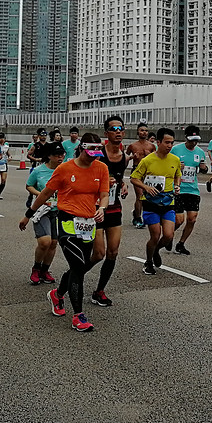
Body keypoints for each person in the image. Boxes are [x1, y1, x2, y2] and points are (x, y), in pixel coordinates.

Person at [28, 133, 110, 332]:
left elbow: (104, 194)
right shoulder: (65, 168)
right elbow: (47, 193)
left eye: (97, 153)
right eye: (90, 153)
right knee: (78, 266)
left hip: (88, 223)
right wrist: (28, 213)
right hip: (67, 221)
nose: (94, 157)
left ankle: (57, 294)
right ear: (81, 148)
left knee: (79, 267)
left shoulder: (102, 167)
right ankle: (78, 316)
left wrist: (102, 208)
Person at [130, 128, 182, 275]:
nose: (169, 145)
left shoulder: (175, 160)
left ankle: (156, 251)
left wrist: (177, 186)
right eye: (166, 142)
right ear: (158, 142)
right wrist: (146, 187)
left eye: (172, 143)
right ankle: (148, 261)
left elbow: (178, 175)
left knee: (168, 235)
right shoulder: (147, 160)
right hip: (151, 202)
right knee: (155, 234)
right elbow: (134, 178)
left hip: (168, 202)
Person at [91, 116, 129, 306]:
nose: (118, 132)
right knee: (98, 254)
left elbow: (120, 178)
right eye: (113, 129)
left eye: (121, 129)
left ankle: (99, 291)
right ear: (106, 133)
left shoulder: (123, 157)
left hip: (114, 209)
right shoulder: (98, 154)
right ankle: (71, 278)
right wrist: (103, 183)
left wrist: (123, 185)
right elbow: (87, 176)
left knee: (112, 252)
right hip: (96, 209)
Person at [19, 142, 64, 286]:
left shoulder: (65, 170)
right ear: (49, 156)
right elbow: (29, 186)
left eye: (62, 154)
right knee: (45, 242)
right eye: (57, 155)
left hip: (59, 211)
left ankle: (45, 270)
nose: (60, 157)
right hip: (42, 210)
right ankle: (36, 268)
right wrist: (41, 195)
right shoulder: (38, 171)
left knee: (54, 243)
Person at [171, 125, 209, 256]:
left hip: (192, 189)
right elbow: (167, 167)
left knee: (192, 219)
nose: (194, 143)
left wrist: (204, 168)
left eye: (196, 140)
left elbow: (203, 168)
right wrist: (176, 167)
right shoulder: (175, 150)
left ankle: (181, 244)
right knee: (178, 220)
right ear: (186, 138)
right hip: (178, 189)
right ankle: (168, 236)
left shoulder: (199, 152)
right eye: (192, 140)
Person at [125, 123, 155, 229]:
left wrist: (149, 156)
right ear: (138, 132)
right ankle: (138, 218)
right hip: (137, 170)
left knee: (146, 196)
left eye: (146, 130)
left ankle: (141, 214)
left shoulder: (151, 146)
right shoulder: (133, 146)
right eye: (142, 130)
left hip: (148, 173)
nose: (144, 132)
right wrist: (132, 157)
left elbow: (156, 160)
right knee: (140, 196)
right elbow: (125, 158)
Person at [0, 132, 10, 199]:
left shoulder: (6, 147)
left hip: (3, 164)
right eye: (0, 138)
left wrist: (10, 157)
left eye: (3, 138)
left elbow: (8, 153)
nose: (2, 139)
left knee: (3, 180)